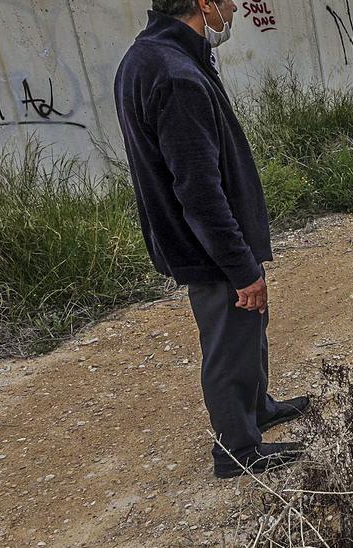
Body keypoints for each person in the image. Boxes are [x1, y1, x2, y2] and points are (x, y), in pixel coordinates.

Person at [114, 0, 308, 479]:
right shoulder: (176, 75)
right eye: (228, 0)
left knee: (247, 332)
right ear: (204, 3)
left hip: (204, 241)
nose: (236, 7)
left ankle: (256, 407)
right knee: (227, 340)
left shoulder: (151, 56)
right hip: (208, 248)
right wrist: (241, 267)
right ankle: (237, 448)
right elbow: (199, 193)